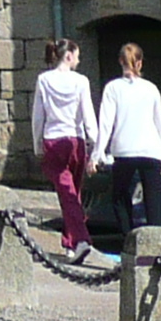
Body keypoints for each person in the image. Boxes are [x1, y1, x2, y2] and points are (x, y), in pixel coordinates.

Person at [31, 36, 110, 261]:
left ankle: (80, 239)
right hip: (76, 141)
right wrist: (96, 145)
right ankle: (71, 241)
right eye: (76, 56)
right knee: (72, 194)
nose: (78, 59)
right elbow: (88, 115)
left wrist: (37, 143)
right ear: (68, 56)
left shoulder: (44, 80)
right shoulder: (81, 81)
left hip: (54, 140)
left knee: (68, 195)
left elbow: (39, 115)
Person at [98, 40, 161, 234]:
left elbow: (106, 124)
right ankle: (157, 245)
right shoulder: (151, 88)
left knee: (121, 198)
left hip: (124, 150)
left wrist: (97, 153)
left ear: (120, 61)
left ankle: (128, 240)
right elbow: (160, 125)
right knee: (153, 200)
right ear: (140, 63)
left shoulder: (112, 88)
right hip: (151, 150)